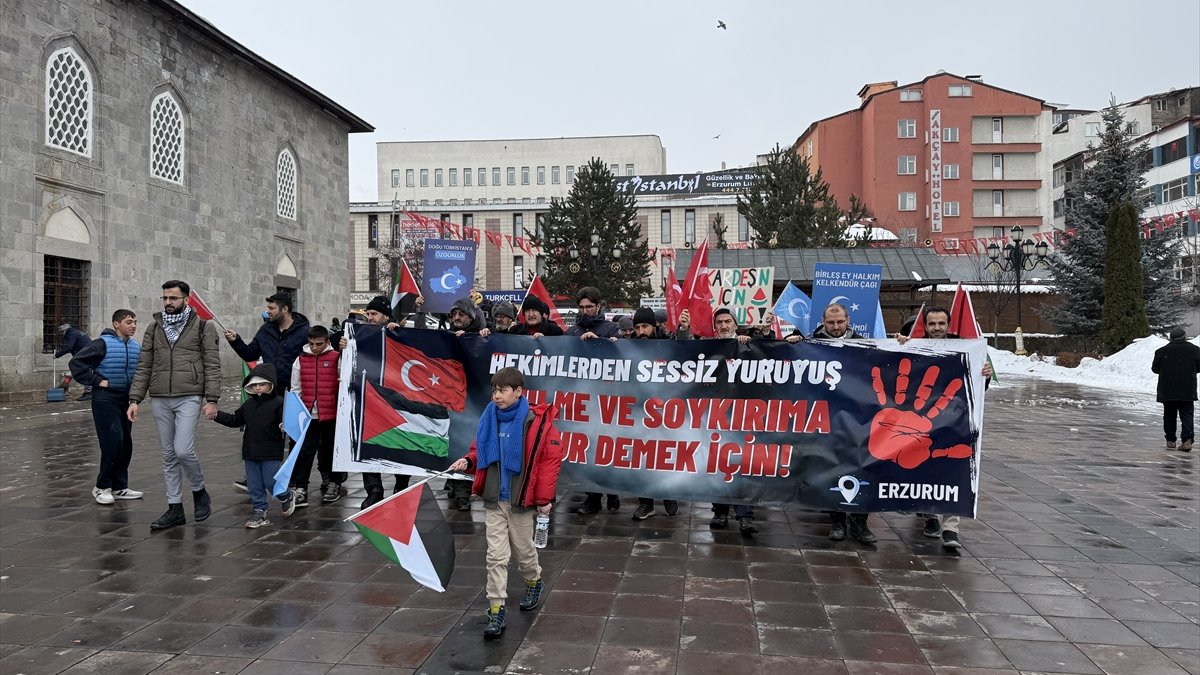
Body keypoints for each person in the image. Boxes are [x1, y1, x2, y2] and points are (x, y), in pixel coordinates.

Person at [447, 367, 564, 639]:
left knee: (523, 551)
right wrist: (468, 460)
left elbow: (549, 462)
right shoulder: (490, 417)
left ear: (518, 392)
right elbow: (479, 450)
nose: (496, 396)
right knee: (496, 556)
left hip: (520, 500)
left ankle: (533, 580)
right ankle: (496, 609)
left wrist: (544, 500)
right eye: (494, 391)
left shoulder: (536, 422)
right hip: (494, 498)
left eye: (502, 390)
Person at [127, 280, 221, 531]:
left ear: (186, 300)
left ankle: (199, 490)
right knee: (168, 455)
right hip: (160, 396)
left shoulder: (203, 327)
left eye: (173, 298)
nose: (168, 302)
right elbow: (144, 365)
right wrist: (135, 399)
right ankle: (174, 507)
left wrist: (212, 399)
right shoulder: (154, 327)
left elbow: (212, 365)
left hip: (189, 395)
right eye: (165, 298)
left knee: (182, 450)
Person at [897, 306, 993, 550]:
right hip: (923, 420)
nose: (937, 328)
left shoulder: (966, 348)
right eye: (932, 323)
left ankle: (951, 528)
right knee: (925, 468)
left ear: (949, 325)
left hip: (955, 420)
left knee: (954, 469)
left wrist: (984, 375)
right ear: (926, 325)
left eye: (941, 323)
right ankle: (929, 515)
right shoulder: (915, 345)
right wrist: (900, 345)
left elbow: (978, 388)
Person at [811, 303, 877, 545]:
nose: (836, 326)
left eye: (840, 321)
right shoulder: (811, 345)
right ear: (823, 322)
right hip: (827, 419)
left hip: (858, 419)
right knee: (832, 468)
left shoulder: (865, 345)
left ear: (848, 320)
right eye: (831, 322)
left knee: (862, 467)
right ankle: (837, 521)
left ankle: (860, 523)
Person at [69, 309, 144, 505]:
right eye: (129, 322)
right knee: (113, 442)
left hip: (125, 400)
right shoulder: (102, 343)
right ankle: (102, 487)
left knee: (125, 444)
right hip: (105, 399)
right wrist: (98, 381)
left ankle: (119, 487)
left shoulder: (135, 346)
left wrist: (135, 399)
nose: (133, 326)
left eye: (135, 322)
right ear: (116, 324)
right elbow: (77, 363)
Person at [209, 364, 296, 528]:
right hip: (250, 452)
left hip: (270, 451)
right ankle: (259, 511)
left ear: (271, 384)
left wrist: (284, 425)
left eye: (262, 384)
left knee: (271, 482)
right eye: (254, 385)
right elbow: (235, 420)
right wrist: (216, 415)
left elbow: (287, 421)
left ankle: (286, 496)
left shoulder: (279, 403)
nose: (258, 388)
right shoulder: (248, 405)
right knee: (254, 484)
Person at [344, 295, 410, 509]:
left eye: (374, 314)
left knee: (400, 444)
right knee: (368, 442)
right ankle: (374, 490)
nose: (370, 317)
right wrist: (342, 343)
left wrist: (397, 333)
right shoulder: (361, 334)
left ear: (386, 316)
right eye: (368, 314)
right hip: (369, 398)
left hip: (395, 398)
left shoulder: (397, 332)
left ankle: (401, 485)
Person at [630, 305, 691, 520]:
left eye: (645, 326)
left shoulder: (667, 342)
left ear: (654, 326)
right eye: (637, 327)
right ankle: (646, 503)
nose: (641, 331)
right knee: (641, 458)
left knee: (666, 456)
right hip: (640, 411)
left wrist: (684, 329)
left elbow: (683, 350)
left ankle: (668, 495)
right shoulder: (629, 346)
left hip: (666, 411)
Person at [566, 287, 621, 515]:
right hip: (583, 397)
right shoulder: (572, 331)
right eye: (581, 307)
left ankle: (612, 491)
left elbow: (622, 356)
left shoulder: (611, 328)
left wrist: (602, 342)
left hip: (607, 396)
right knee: (589, 448)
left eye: (589, 306)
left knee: (607, 447)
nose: (585, 311)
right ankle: (593, 497)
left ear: (598, 306)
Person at [707, 307, 759, 535]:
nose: (723, 325)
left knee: (742, 463)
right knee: (718, 464)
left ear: (735, 324)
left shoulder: (747, 345)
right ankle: (719, 511)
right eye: (719, 322)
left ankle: (745, 515)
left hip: (743, 415)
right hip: (716, 414)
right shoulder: (709, 347)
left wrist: (750, 343)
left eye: (727, 321)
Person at [289, 325, 346, 505]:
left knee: (331, 451)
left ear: (327, 342)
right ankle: (301, 487)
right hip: (308, 415)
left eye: (319, 344)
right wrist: (295, 414)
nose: (315, 347)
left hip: (331, 413)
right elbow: (295, 389)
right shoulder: (300, 360)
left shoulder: (336, 357)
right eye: (312, 344)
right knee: (305, 452)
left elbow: (343, 382)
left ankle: (334, 482)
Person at [445, 297, 486, 509]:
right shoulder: (447, 336)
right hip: (452, 398)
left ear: (471, 316)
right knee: (452, 442)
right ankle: (454, 484)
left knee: (465, 442)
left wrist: (476, 338)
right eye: (454, 314)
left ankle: (463, 493)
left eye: (461, 314)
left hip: (474, 400)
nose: (457, 317)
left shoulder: (484, 336)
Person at [223, 293, 310, 393]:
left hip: (295, 392)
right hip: (270, 391)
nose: (268, 312)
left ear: (285, 309)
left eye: (272, 308)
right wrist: (235, 340)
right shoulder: (265, 330)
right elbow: (250, 354)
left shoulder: (305, 332)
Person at [1152, 327, 1199, 452]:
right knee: (1187, 415)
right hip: (1187, 388)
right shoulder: (1195, 350)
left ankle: (1170, 440)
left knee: (1169, 415)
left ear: (1171, 338)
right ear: (1185, 337)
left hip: (1168, 389)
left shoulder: (1161, 351)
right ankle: (1187, 440)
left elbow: (1155, 369)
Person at [56, 323, 93, 399]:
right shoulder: (75, 332)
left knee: (85, 372)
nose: (62, 335)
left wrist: (57, 355)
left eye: (61, 333)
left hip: (87, 354)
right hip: (88, 353)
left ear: (65, 331)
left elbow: (68, 347)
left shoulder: (72, 334)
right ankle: (66, 384)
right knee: (79, 368)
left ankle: (88, 392)